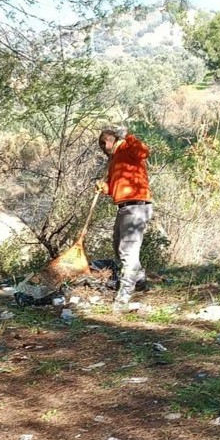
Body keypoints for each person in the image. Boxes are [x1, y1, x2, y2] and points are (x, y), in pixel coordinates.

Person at [95, 125, 152, 307]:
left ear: (110, 141)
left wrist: (127, 135)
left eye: (104, 144)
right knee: (118, 244)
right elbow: (114, 188)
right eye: (101, 146)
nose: (104, 149)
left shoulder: (128, 147)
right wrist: (103, 188)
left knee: (127, 251)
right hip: (123, 207)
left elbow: (144, 152)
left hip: (136, 205)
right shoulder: (114, 162)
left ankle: (124, 296)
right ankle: (140, 280)